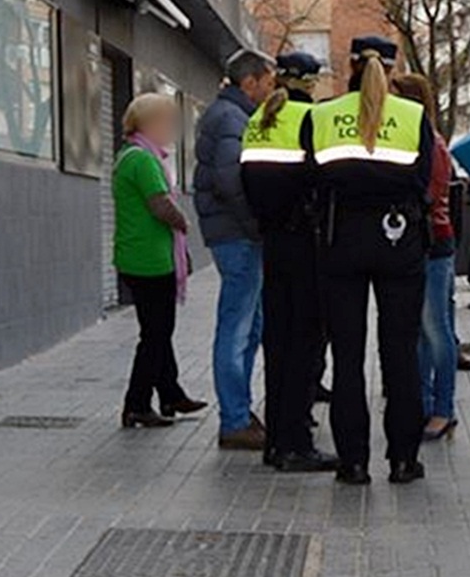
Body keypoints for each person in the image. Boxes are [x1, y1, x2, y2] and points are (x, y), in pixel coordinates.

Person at [310, 36, 434, 485]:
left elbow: (313, 180)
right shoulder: (413, 116)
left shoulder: (322, 115)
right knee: (400, 353)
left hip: (341, 239)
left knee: (347, 356)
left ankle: (354, 462)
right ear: (392, 67)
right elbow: (424, 180)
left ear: (350, 66)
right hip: (399, 239)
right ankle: (403, 460)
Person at [241, 52, 338, 472]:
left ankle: (276, 443)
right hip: (307, 243)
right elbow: (323, 181)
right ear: (312, 84)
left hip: (273, 243)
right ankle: (296, 442)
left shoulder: (258, 120)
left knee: (277, 343)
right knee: (306, 343)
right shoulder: (310, 120)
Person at [193, 50, 277, 450]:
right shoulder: (231, 119)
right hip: (237, 235)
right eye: (268, 82)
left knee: (248, 324)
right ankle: (235, 418)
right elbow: (231, 182)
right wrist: (256, 225)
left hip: (233, 233)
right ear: (250, 83)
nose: (271, 90)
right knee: (238, 326)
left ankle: (240, 411)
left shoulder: (229, 115)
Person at [113, 94, 209, 428]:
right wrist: (184, 222)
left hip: (140, 256)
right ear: (148, 123)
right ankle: (136, 404)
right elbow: (160, 204)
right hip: (148, 260)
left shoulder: (133, 155)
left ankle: (170, 393)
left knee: (157, 331)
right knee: (155, 334)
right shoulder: (141, 160)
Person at [391, 74, 458, 441]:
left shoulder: (430, 142)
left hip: (432, 244)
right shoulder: (423, 139)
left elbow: (428, 195)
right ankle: (426, 401)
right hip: (426, 244)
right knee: (423, 330)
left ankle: (443, 408)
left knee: (435, 330)